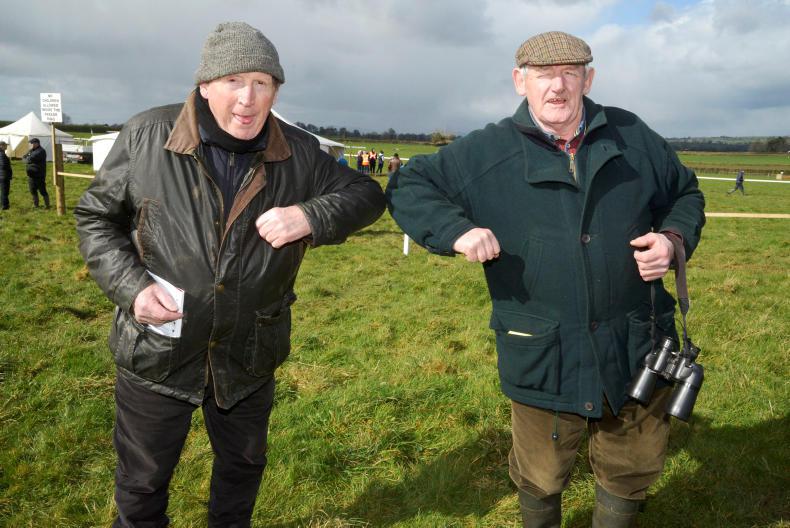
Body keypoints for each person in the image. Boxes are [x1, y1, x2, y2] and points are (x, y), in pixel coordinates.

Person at [386, 31, 705, 527]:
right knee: (540, 474)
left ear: (588, 79)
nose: (557, 86)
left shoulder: (632, 136)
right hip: (542, 353)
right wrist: (455, 231)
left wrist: (671, 239)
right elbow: (408, 184)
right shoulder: (488, 150)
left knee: (631, 468)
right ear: (520, 81)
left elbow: (685, 194)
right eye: (543, 75)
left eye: (569, 74)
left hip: (637, 343)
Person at [74, 21, 385, 528]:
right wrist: (133, 289)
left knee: (240, 477)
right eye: (233, 81)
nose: (248, 98)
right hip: (157, 351)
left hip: (248, 354)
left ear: (276, 90)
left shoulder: (299, 151)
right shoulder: (148, 135)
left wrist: (310, 215)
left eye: (262, 83)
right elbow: (96, 218)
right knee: (143, 485)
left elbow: (367, 195)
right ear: (205, 85)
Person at [22, 137, 49, 208]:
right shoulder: (31, 150)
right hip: (31, 175)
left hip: (39, 175)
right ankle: (36, 205)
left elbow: (28, 160)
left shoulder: (41, 151)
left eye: (31, 143)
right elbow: (24, 157)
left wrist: (26, 158)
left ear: (36, 143)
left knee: (42, 190)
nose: (30, 145)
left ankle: (47, 205)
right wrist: (26, 157)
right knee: (32, 190)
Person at [0, 140, 11, 210]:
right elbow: (3, 165)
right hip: (4, 175)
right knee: (5, 191)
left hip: (2, 175)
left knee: (4, 191)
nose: (6, 146)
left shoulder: (2, 153)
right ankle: (5, 206)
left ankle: (5, 204)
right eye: (5, 145)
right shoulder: (2, 154)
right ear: (1, 146)